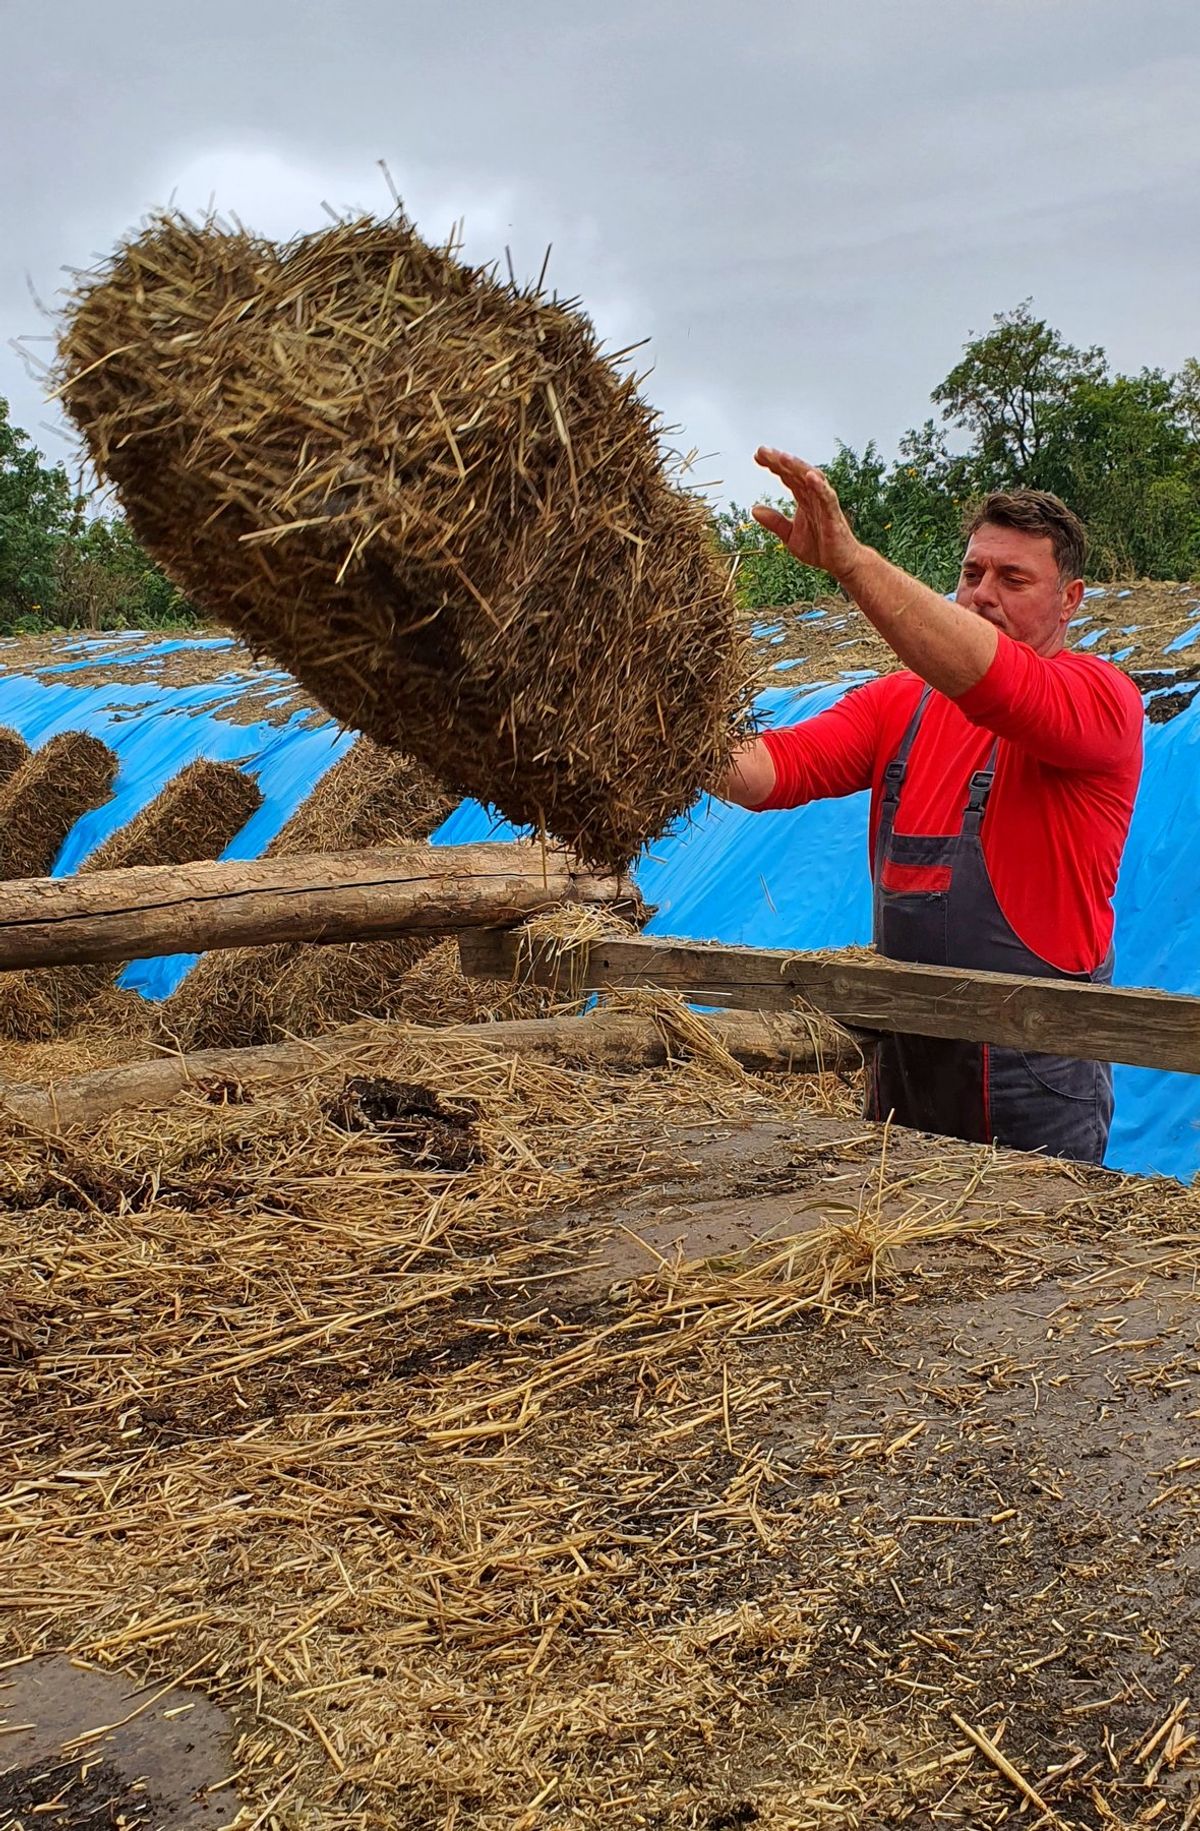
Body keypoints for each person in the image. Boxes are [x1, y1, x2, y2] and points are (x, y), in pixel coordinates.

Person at [718, 449, 1144, 1165]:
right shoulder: (899, 705)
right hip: (906, 1064)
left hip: (1036, 1073)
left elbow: (1000, 682)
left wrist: (853, 563)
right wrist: (652, 724)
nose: (982, 595)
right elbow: (766, 772)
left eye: (1014, 579)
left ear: (1069, 599)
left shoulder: (1099, 700)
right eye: (972, 573)